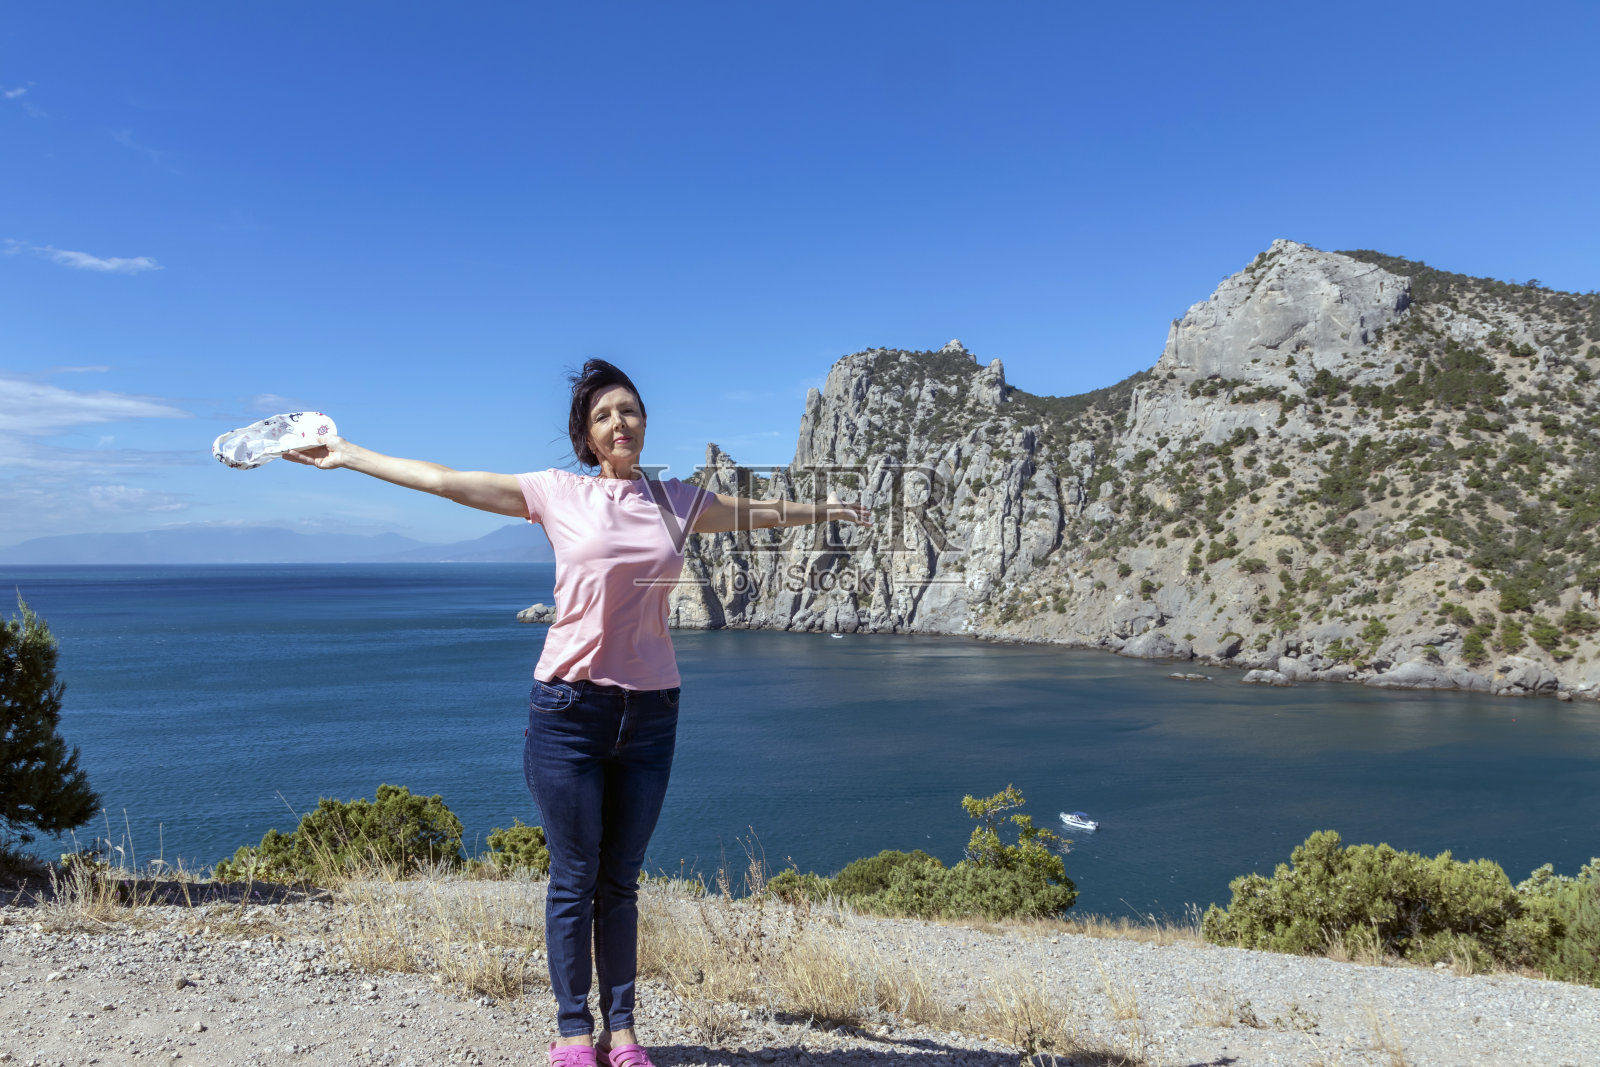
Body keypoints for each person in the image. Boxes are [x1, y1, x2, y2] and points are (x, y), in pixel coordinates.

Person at [283, 359, 869, 1067]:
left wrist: (830, 507)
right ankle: (570, 1031)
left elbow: (761, 512)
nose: (620, 422)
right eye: (603, 416)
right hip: (568, 708)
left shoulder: (678, 500)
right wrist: (348, 455)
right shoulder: (554, 494)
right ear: (588, 438)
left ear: (644, 423)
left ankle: (621, 1031)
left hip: (652, 712)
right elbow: (445, 479)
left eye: (629, 410)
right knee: (574, 875)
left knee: (621, 877)